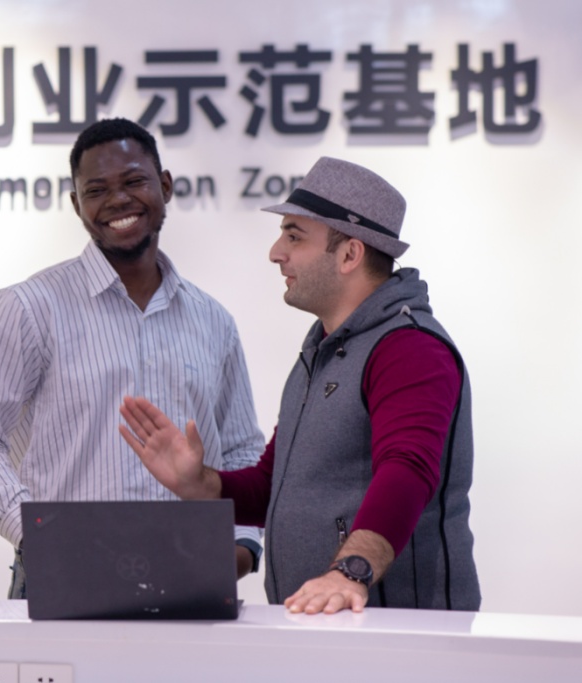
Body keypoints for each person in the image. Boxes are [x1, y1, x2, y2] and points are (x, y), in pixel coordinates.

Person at [120, 157, 480, 614]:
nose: (276, 252)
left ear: (350, 254)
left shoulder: (409, 347)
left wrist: (350, 572)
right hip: (323, 623)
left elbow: (408, 468)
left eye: (294, 236)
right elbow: (275, 485)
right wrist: (202, 484)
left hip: (397, 630)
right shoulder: (322, 348)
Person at [0, 118, 265, 597]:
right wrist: (39, 537)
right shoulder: (27, 308)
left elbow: (241, 450)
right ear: (77, 205)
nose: (117, 200)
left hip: (191, 580)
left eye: (134, 181)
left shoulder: (213, 320)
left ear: (165, 186)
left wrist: (242, 545)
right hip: (62, 580)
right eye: (96, 190)